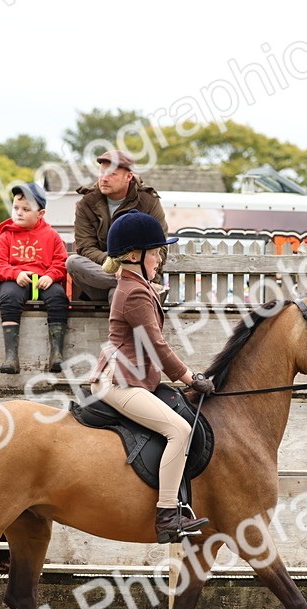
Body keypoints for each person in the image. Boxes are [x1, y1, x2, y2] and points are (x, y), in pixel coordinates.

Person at [90, 210, 216, 544]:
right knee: (179, 430)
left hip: (131, 376)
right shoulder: (134, 292)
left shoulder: (135, 285)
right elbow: (157, 345)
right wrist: (189, 378)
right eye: (156, 252)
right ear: (135, 255)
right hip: (120, 382)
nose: (160, 259)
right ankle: (166, 516)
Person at [67, 149, 169, 302]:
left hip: (140, 272)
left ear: (128, 176)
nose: (104, 179)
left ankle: (137, 283)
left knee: (119, 293)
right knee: (73, 262)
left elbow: (160, 246)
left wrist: (129, 268)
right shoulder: (87, 203)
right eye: (101, 173)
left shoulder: (148, 201)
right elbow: (85, 248)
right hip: (100, 280)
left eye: (112, 174)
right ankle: (141, 285)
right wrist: (115, 266)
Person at [0, 183, 68, 374]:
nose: (19, 213)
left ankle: (56, 354)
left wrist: (51, 276)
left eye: (26, 209)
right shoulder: (6, 236)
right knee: (9, 297)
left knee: (58, 297)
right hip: (17, 280)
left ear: (40, 214)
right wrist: (16, 274)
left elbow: (61, 261)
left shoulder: (51, 235)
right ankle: (11, 357)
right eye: (16, 208)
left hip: (44, 280)